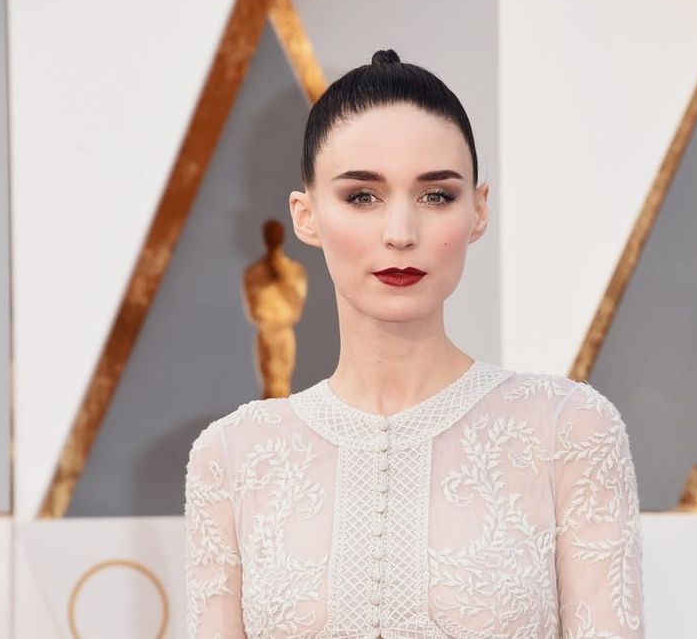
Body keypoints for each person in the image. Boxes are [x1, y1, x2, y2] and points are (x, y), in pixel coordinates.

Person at [184, 48, 645, 638]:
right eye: (361, 197)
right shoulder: (232, 455)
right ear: (306, 216)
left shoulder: (569, 430)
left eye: (436, 196)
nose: (400, 234)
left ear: (478, 210)